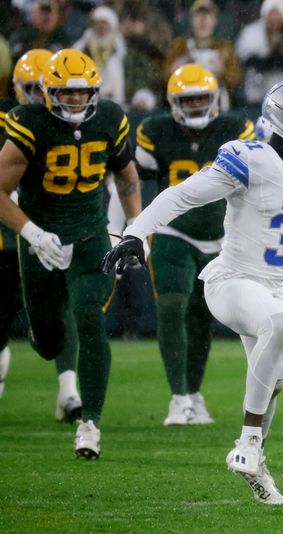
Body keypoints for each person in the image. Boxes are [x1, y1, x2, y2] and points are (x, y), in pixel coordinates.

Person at [102, 78, 283, 505]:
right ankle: (248, 443)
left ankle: (258, 462)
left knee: (274, 380)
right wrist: (136, 232)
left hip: (277, 288)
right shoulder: (248, 158)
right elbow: (182, 195)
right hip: (232, 281)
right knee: (279, 327)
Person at [0, 49, 142, 459]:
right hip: (40, 239)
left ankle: (90, 424)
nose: (76, 100)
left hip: (89, 236)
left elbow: (128, 180)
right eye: (66, 92)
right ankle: (44, 336)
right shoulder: (30, 123)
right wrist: (30, 231)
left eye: (83, 93)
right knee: (47, 342)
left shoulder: (110, 118)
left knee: (89, 316)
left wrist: (136, 230)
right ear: (48, 91)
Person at [135, 64, 255, 425]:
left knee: (204, 317)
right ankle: (178, 397)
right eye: (188, 100)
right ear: (173, 102)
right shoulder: (154, 131)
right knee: (172, 305)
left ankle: (194, 394)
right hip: (174, 232)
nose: (195, 106)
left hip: (221, 236)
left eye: (202, 98)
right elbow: (134, 182)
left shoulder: (235, 129)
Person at [0, 49, 51, 399]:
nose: (37, 95)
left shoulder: (63, 124)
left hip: (43, 222)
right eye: (30, 87)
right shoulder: (13, 119)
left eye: (42, 87)